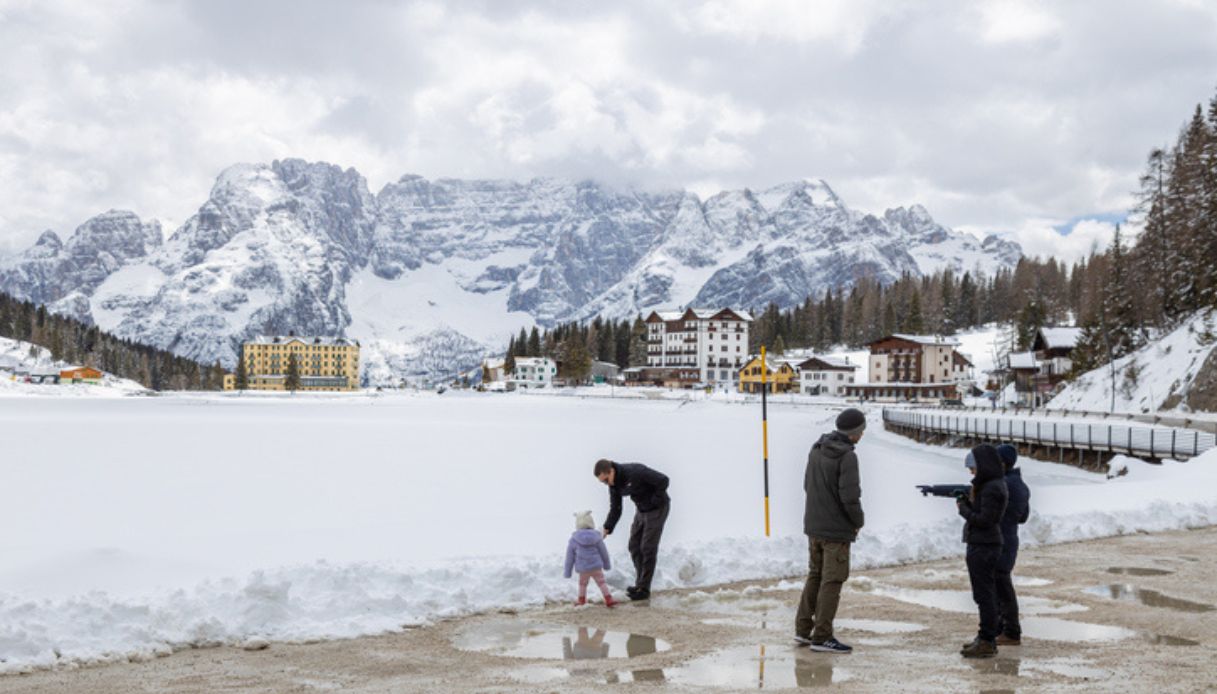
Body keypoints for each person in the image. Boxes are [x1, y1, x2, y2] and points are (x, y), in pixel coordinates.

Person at [795, 408, 866, 654]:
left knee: (815, 575)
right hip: (836, 530)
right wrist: (858, 521)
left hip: (813, 525)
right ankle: (822, 636)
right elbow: (850, 497)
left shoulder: (816, 448)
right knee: (832, 581)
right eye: (862, 429)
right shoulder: (847, 456)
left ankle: (803, 630)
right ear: (855, 432)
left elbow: (807, 484)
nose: (863, 433)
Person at [957, 444, 1010, 658]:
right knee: (983, 594)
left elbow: (985, 520)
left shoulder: (992, 488)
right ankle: (985, 636)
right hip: (983, 544)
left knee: (985, 594)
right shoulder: (991, 485)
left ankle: (987, 639)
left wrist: (964, 510)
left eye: (974, 468)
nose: (972, 473)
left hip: (984, 545)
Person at [594, 459, 670, 600]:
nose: (606, 484)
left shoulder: (635, 472)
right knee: (634, 546)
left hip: (657, 509)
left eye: (606, 480)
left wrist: (655, 500)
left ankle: (644, 589)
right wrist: (607, 528)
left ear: (611, 471)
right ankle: (640, 584)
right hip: (641, 510)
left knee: (647, 547)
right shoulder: (614, 485)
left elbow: (663, 480)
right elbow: (616, 509)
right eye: (603, 482)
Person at [994, 443, 1031, 645]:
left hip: (1001, 540)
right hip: (1010, 539)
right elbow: (1023, 517)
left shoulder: (1006, 484)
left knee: (1002, 587)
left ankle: (1010, 631)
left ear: (1003, 463)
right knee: (1001, 585)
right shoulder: (1020, 485)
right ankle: (1003, 628)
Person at [564, 510, 617, 607]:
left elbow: (569, 557)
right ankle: (609, 599)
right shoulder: (597, 537)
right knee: (601, 582)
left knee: (582, 584)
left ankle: (581, 600)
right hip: (596, 566)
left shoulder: (574, 539)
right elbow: (603, 552)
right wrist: (606, 565)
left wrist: (567, 572)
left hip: (583, 568)